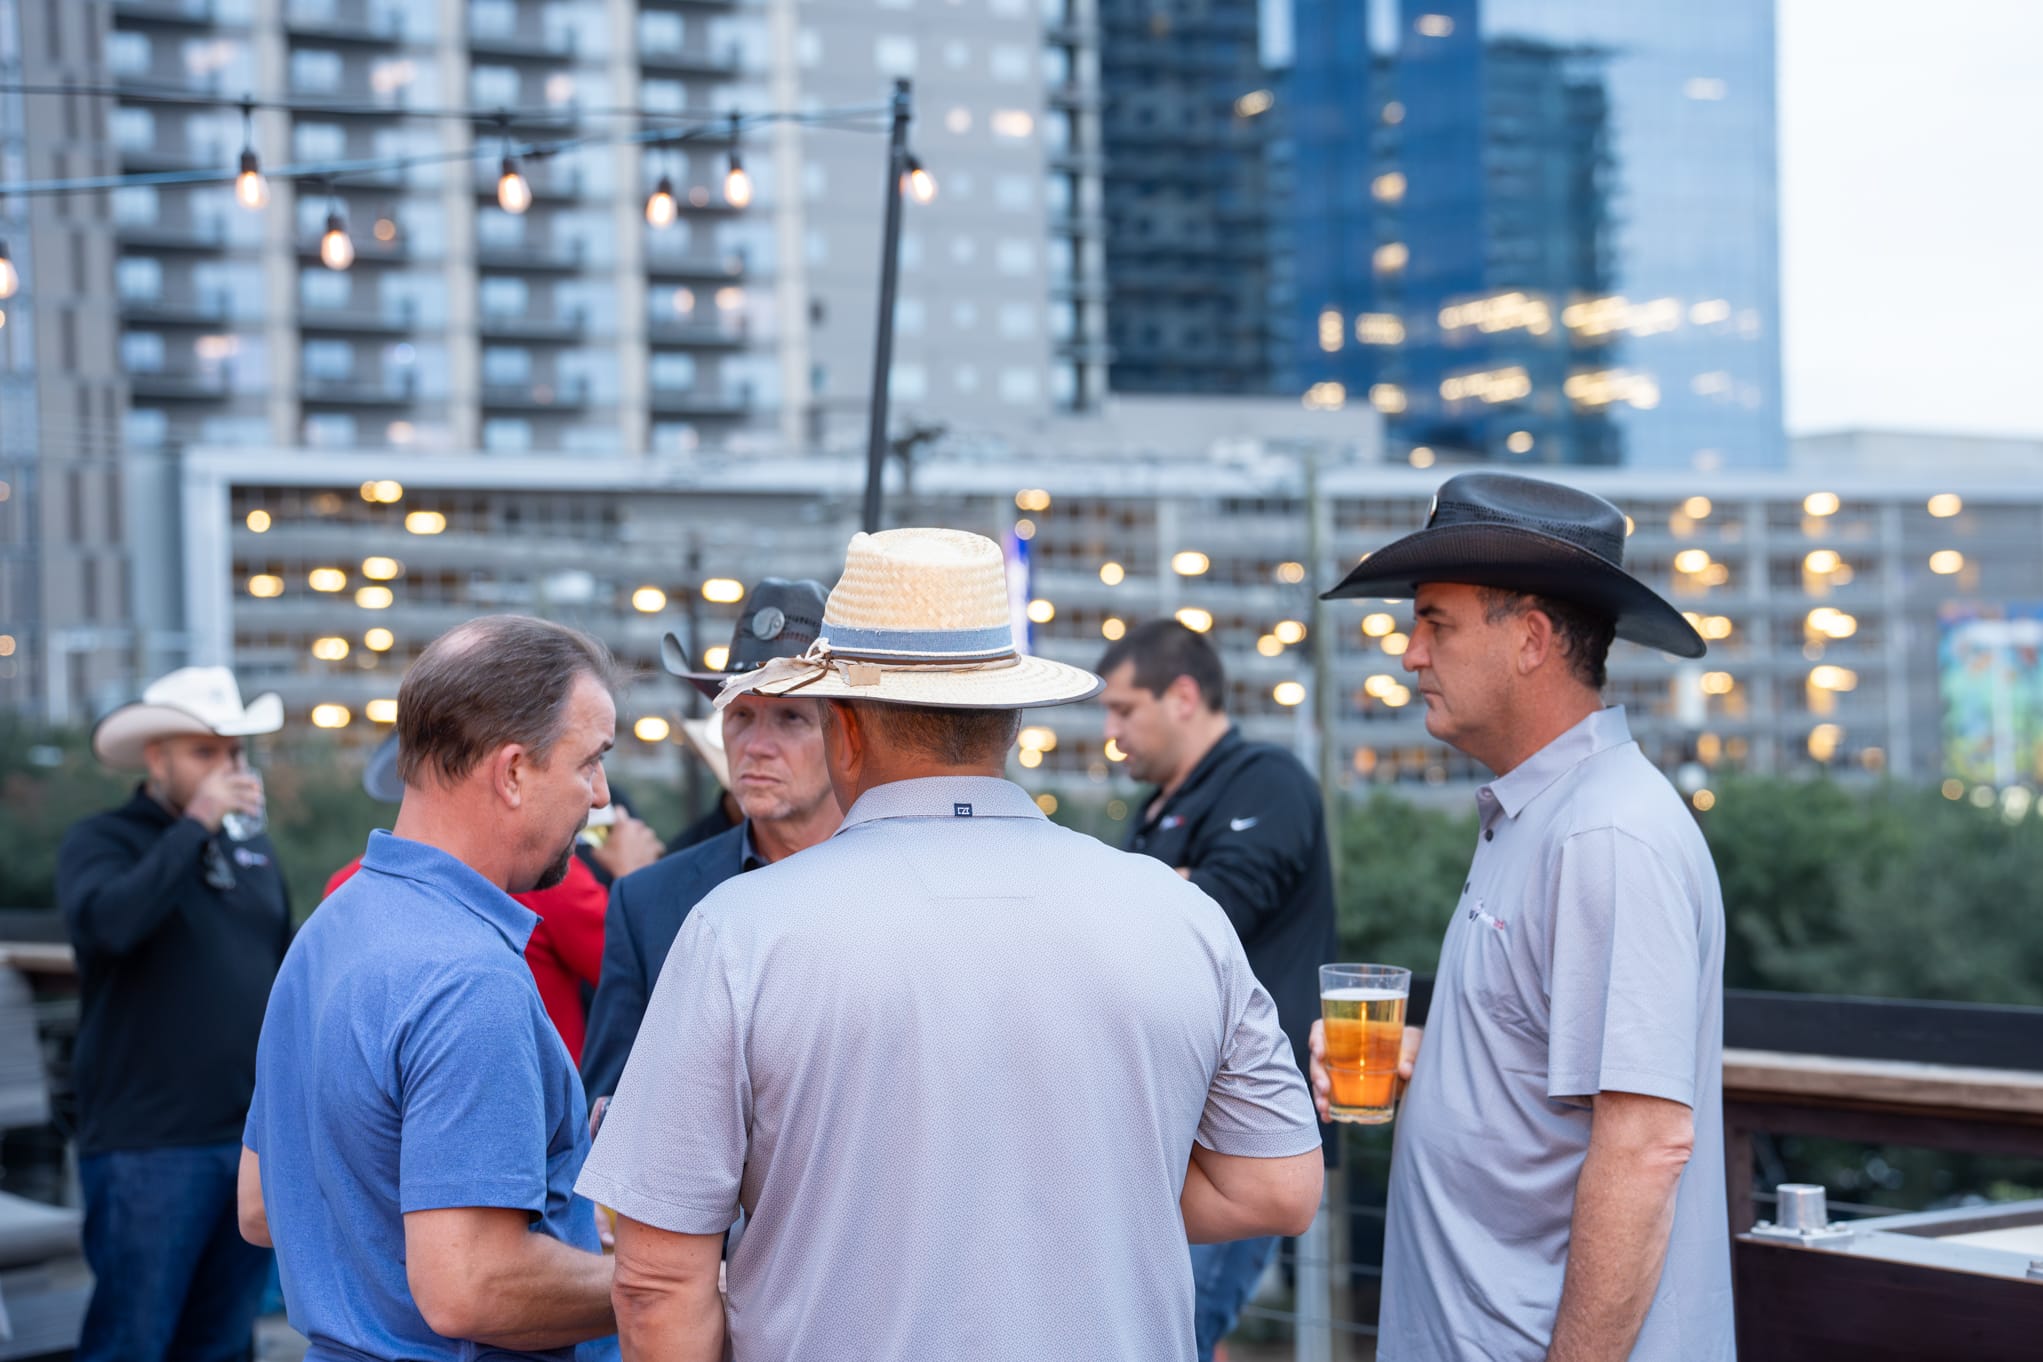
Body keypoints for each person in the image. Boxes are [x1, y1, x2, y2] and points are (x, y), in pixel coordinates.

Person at [576, 528, 1323, 1361]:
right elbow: (1276, 1186)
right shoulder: (1176, 913)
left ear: (845, 730)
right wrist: (1061, 1179)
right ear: (1004, 719)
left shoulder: (738, 930)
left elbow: (655, 1284)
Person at [1313, 472, 1733, 1361]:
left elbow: (1645, 1143)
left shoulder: (1604, 833)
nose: (1408, 654)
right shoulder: (1545, 816)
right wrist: (1432, 1068)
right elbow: (1554, 1071)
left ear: (1531, 640)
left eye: (1434, 621)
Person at [240, 616, 621, 1359]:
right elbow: (470, 1286)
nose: (601, 796)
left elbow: (262, 1207)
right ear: (512, 772)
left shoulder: (332, 925)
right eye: (589, 762)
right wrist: (678, 1281)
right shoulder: (468, 978)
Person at [1097, 619, 1339, 1361]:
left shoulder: (1267, 779)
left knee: (1169, 1333)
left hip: (1249, 1135)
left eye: (1123, 709)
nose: (1112, 734)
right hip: (1165, 1126)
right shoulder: (1153, 809)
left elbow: (1205, 913)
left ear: (1183, 695)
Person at [57, 666, 289, 1362]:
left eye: (235, 753)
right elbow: (110, 926)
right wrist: (195, 825)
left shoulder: (251, 852)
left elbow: (277, 972)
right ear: (156, 758)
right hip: (148, 1146)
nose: (227, 768)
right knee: (132, 1339)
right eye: (204, 752)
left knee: (222, 1343)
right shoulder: (104, 839)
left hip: (243, 1138)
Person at [580, 579, 841, 1104]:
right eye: (740, 714)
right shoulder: (648, 902)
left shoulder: (903, 892)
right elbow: (607, 1115)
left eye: (791, 717)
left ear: (848, 736)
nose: (756, 746)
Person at [325, 735, 663, 1062]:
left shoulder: (343, 887)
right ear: (508, 772)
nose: (599, 794)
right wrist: (634, 879)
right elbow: (646, 977)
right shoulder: (547, 875)